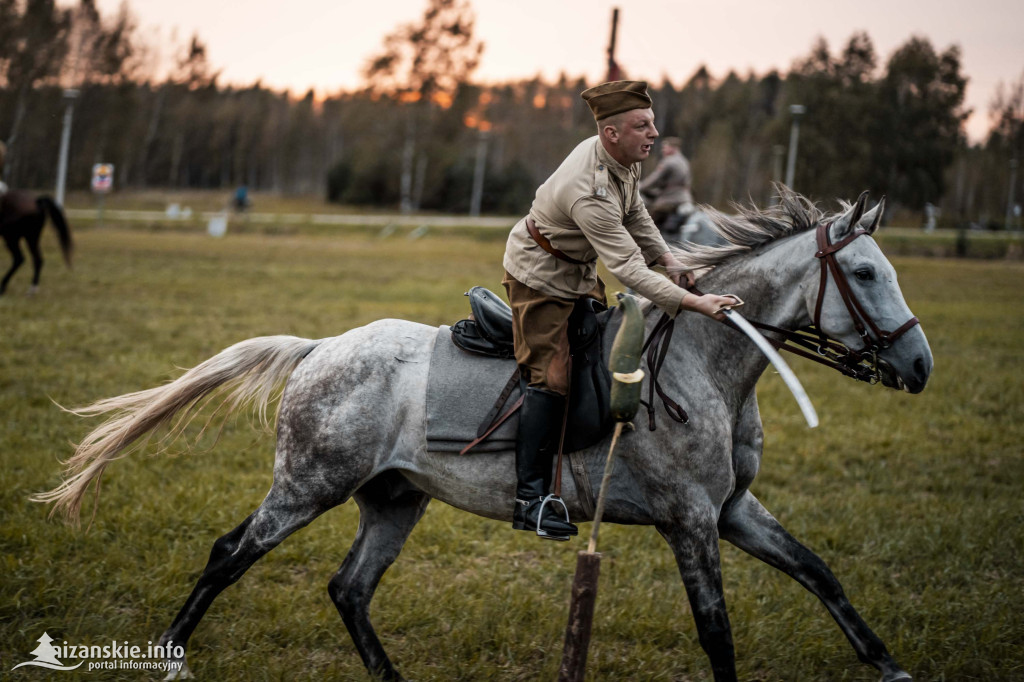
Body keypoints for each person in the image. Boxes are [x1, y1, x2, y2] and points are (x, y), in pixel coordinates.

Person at [501, 81, 735, 540]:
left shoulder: (620, 161)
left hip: (577, 271)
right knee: (552, 377)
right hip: (541, 278)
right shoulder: (589, 190)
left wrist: (670, 259)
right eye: (641, 126)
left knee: (600, 348)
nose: (653, 133)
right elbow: (626, 266)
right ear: (611, 133)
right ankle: (530, 500)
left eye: (652, 123)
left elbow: (637, 216)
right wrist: (692, 302)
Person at [639, 136, 693, 239]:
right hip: (685, 199)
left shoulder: (669, 162)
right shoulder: (684, 161)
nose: (662, 150)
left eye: (665, 147)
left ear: (673, 148)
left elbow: (654, 179)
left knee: (646, 223)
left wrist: (640, 187)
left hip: (670, 200)